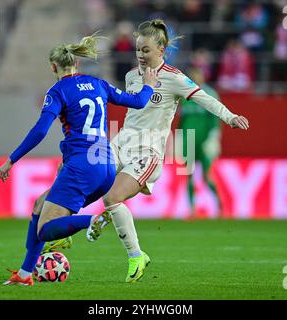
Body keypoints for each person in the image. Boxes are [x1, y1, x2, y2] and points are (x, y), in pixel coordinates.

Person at [42, 19, 249, 283]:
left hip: (147, 152)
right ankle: (66, 232)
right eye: (138, 50)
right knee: (79, 174)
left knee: (112, 197)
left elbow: (205, 98)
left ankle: (136, 255)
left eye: (146, 50)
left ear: (161, 51)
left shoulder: (174, 78)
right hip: (121, 143)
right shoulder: (131, 76)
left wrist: (229, 117)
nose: (140, 55)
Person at [0, 33, 158, 286]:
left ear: (53, 66)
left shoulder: (58, 91)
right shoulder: (98, 84)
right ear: (77, 63)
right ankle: (25, 274)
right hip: (106, 167)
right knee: (40, 206)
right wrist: (148, 84)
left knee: (45, 229)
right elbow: (138, 101)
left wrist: (12, 159)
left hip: (81, 166)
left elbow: (40, 130)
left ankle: (92, 220)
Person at [178, 67, 222, 219]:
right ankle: (192, 209)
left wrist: (214, 135)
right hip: (188, 140)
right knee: (188, 175)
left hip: (204, 141)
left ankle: (220, 206)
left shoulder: (210, 94)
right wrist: (178, 137)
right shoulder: (185, 95)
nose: (195, 78)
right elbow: (182, 120)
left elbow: (215, 117)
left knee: (206, 175)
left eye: (197, 75)